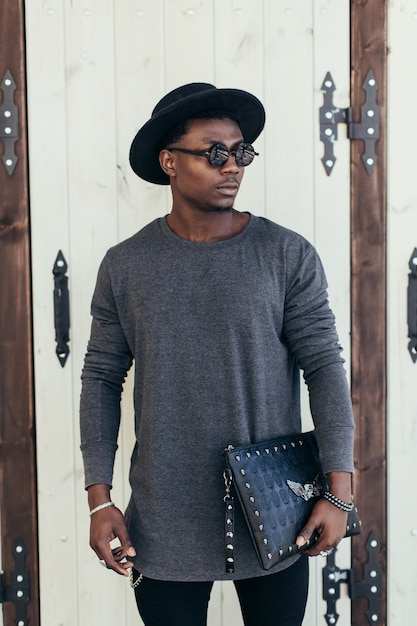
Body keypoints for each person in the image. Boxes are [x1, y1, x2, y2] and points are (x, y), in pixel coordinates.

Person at [80, 82, 355, 626]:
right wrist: (99, 496)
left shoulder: (286, 254)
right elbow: (101, 380)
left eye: (241, 152)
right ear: (169, 162)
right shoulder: (124, 266)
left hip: (276, 508)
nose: (232, 166)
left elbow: (324, 368)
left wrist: (339, 492)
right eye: (214, 153)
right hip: (163, 515)